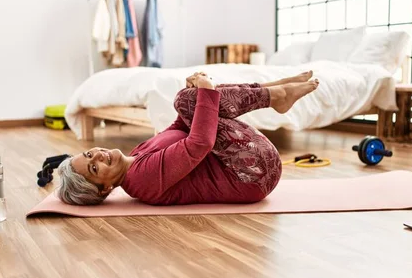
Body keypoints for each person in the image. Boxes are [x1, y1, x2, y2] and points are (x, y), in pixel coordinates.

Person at [57, 71, 319, 206]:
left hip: (248, 164)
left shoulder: (136, 155)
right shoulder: (141, 179)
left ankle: (276, 92)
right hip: (253, 174)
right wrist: (203, 93)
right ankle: (276, 94)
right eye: (94, 168)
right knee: (189, 100)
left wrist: (194, 92)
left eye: (90, 154)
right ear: (104, 189)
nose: (98, 156)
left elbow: (181, 126)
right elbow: (199, 144)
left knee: (187, 99)